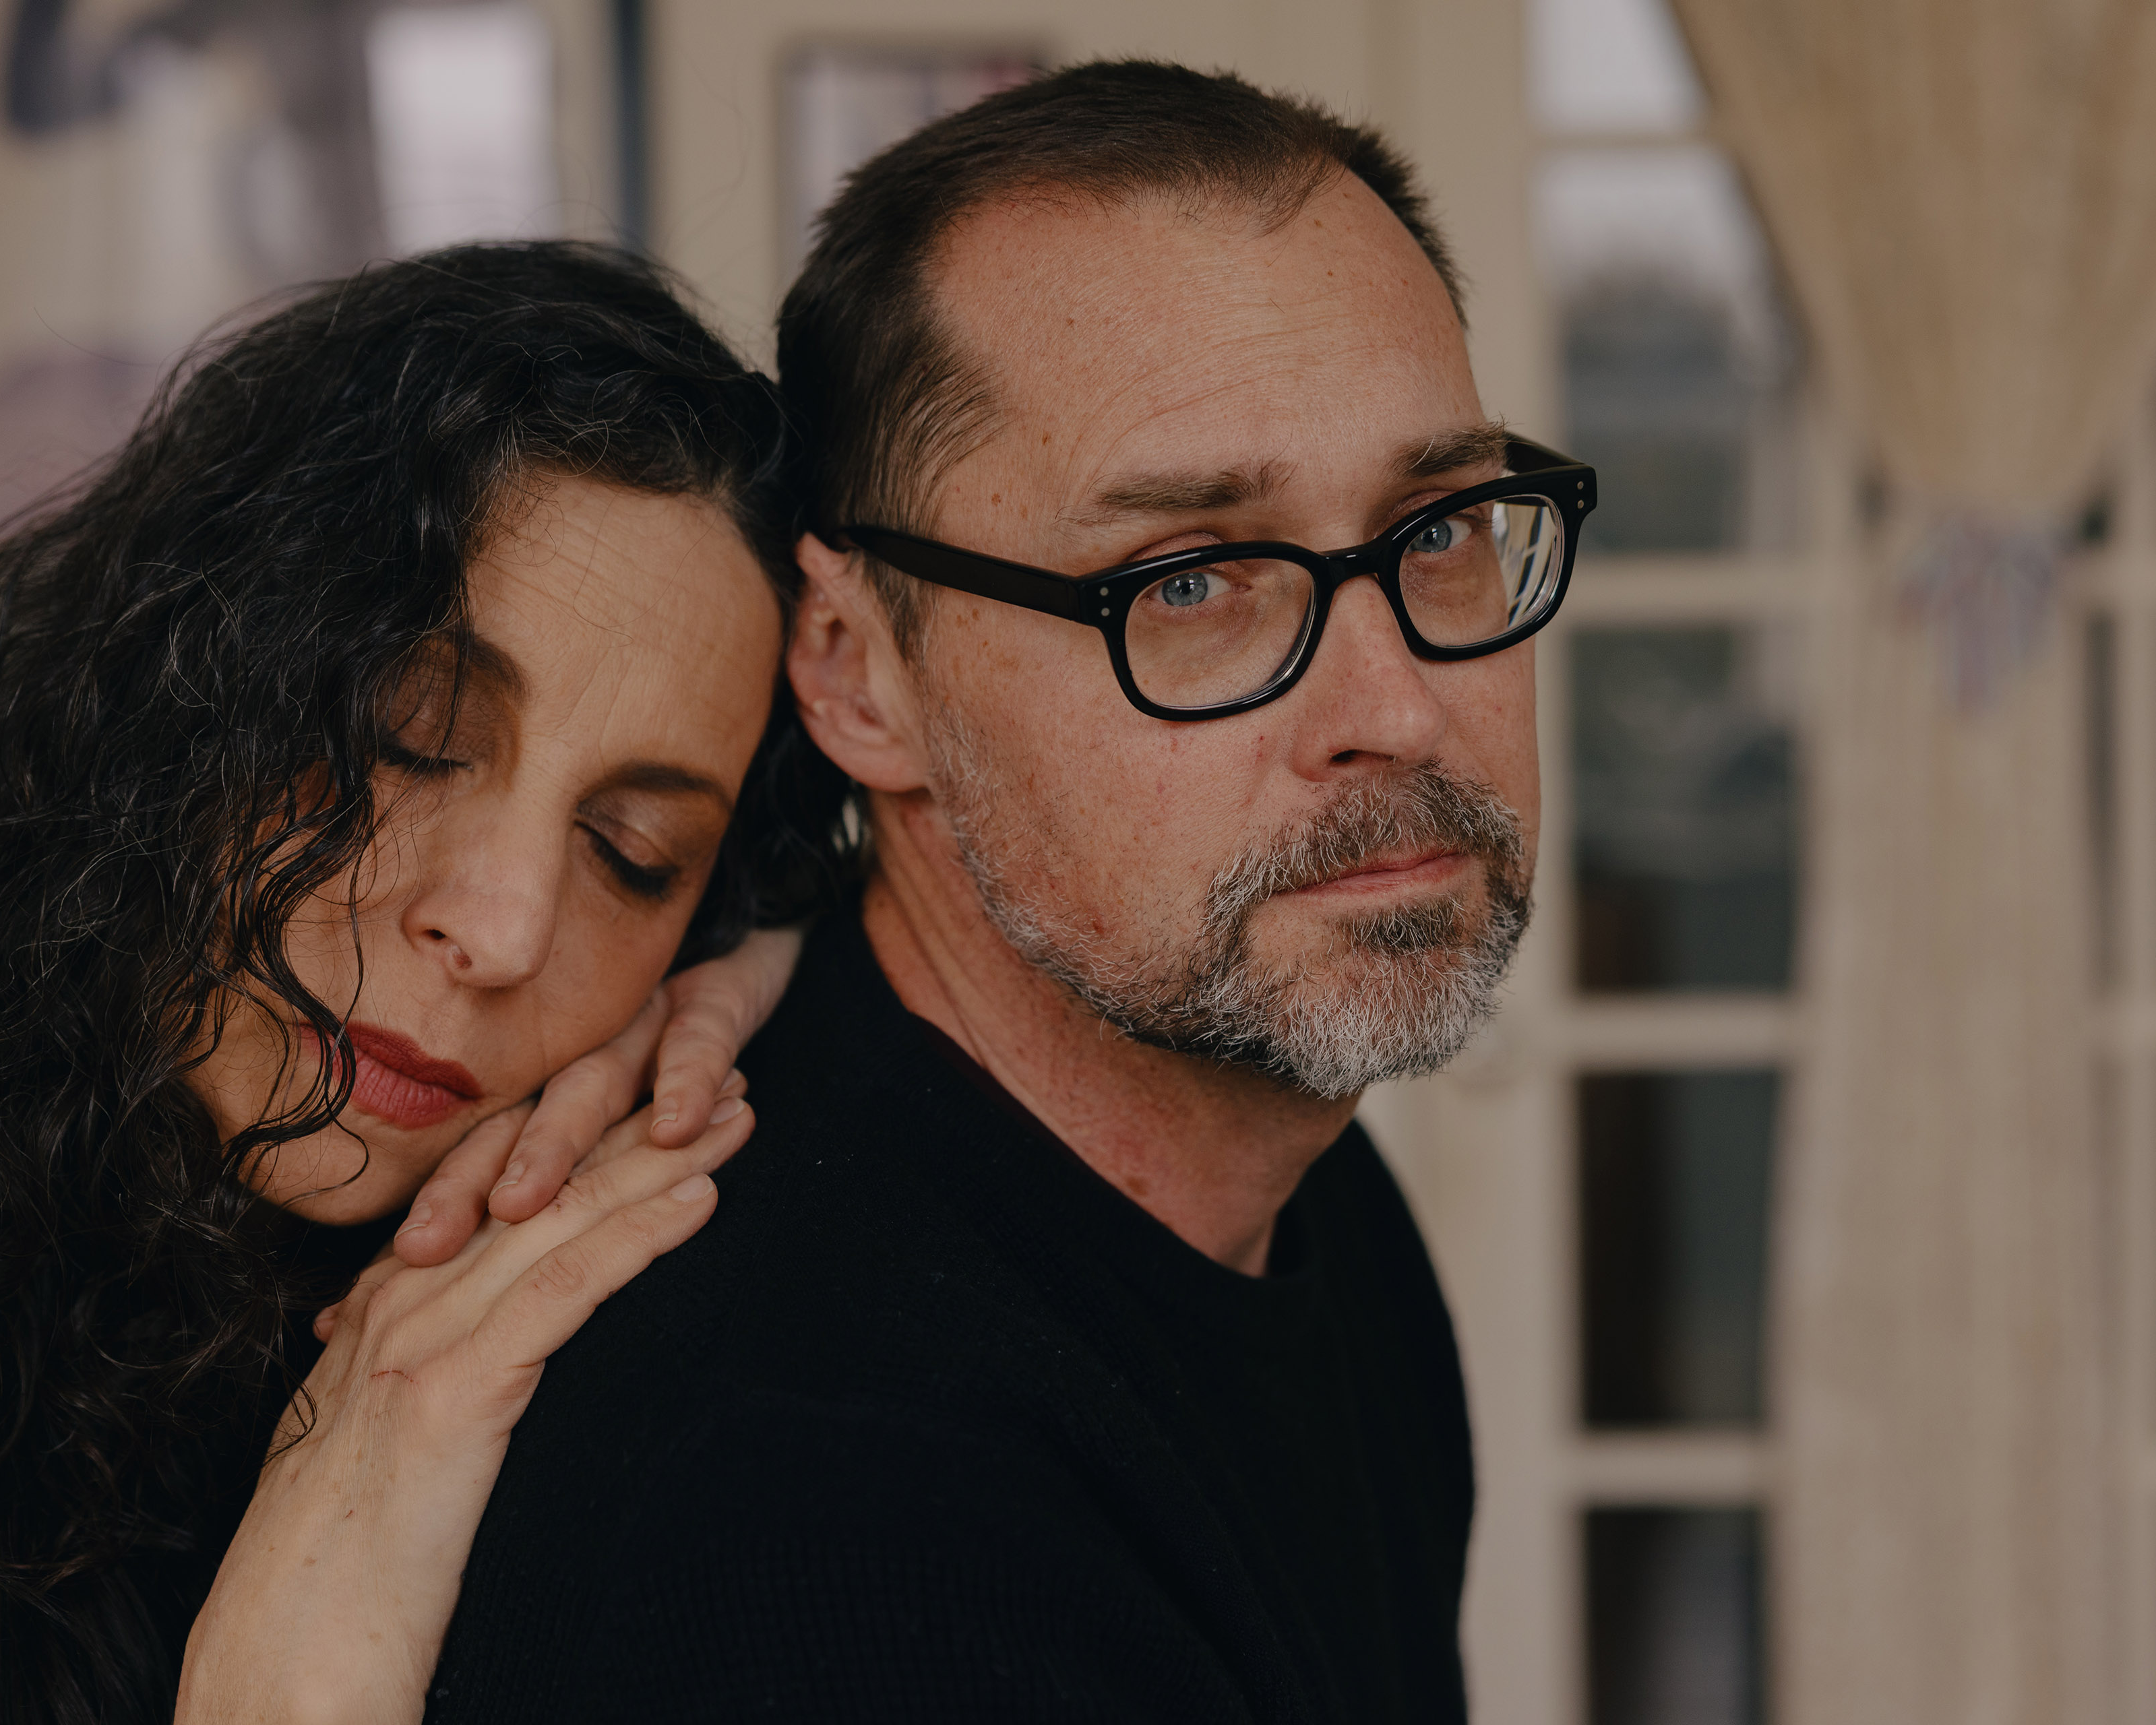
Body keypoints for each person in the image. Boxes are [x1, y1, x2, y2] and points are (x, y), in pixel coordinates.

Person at [427, 61, 1592, 1722]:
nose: (1396, 708)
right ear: (855, 668)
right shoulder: (822, 1512)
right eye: (1190, 578)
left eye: (1440, 527)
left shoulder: (1291, 1183)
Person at [0, 242, 853, 1724]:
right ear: (172, 698)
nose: (501, 927)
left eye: (632, 852)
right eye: (409, 736)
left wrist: (737, 990)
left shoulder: (521, 1315)